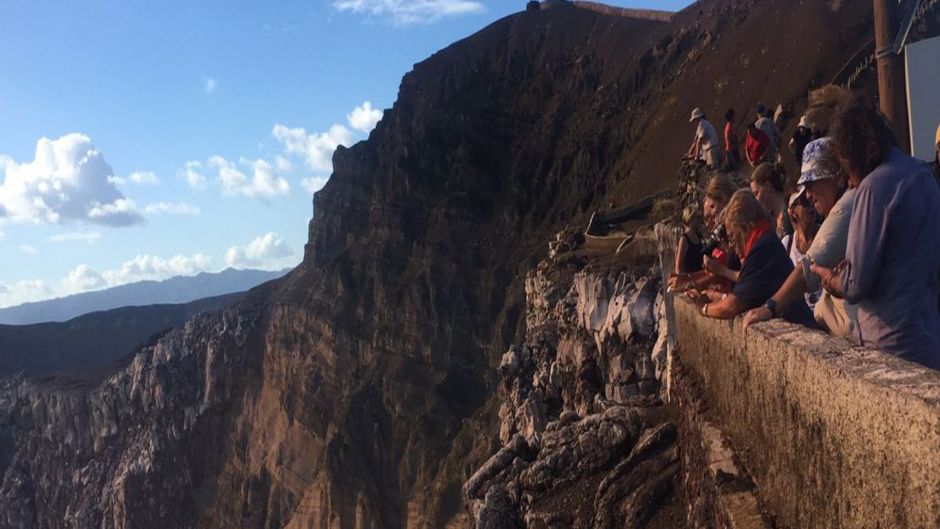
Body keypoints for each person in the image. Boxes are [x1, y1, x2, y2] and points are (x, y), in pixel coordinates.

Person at [811, 99, 940, 369]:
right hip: (929, 340)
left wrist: (832, 279)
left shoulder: (873, 189)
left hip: (889, 345)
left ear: (854, 153)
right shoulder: (924, 176)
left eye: (845, 165)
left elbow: (856, 285)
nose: (848, 180)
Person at [743, 138, 854, 335]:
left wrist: (770, 307)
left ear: (834, 178)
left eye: (811, 185)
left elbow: (807, 270)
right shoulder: (851, 203)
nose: (809, 196)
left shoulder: (844, 209)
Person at [687, 189, 813, 324]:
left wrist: (703, 308)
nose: (732, 245)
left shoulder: (762, 248)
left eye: (732, 236)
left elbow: (731, 306)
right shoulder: (765, 241)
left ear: (743, 229)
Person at [668, 175, 739, 292]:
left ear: (723, 199)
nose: (709, 223)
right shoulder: (720, 234)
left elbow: (723, 273)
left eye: (712, 208)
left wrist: (689, 284)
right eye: (706, 218)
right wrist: (685, 278)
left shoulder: (738, 229)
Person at [749, 163, 791, 239]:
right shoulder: (771, 217)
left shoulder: (790, 211)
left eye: (756, 193)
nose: (755, 199)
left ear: (768, 186)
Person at [676, 206, 705, 274]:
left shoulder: (699, 236)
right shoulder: (684, 239)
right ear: (691, 219)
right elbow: (678, 267)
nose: (699, 220)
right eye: (697, 217)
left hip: (699, 277)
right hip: (689, 279)